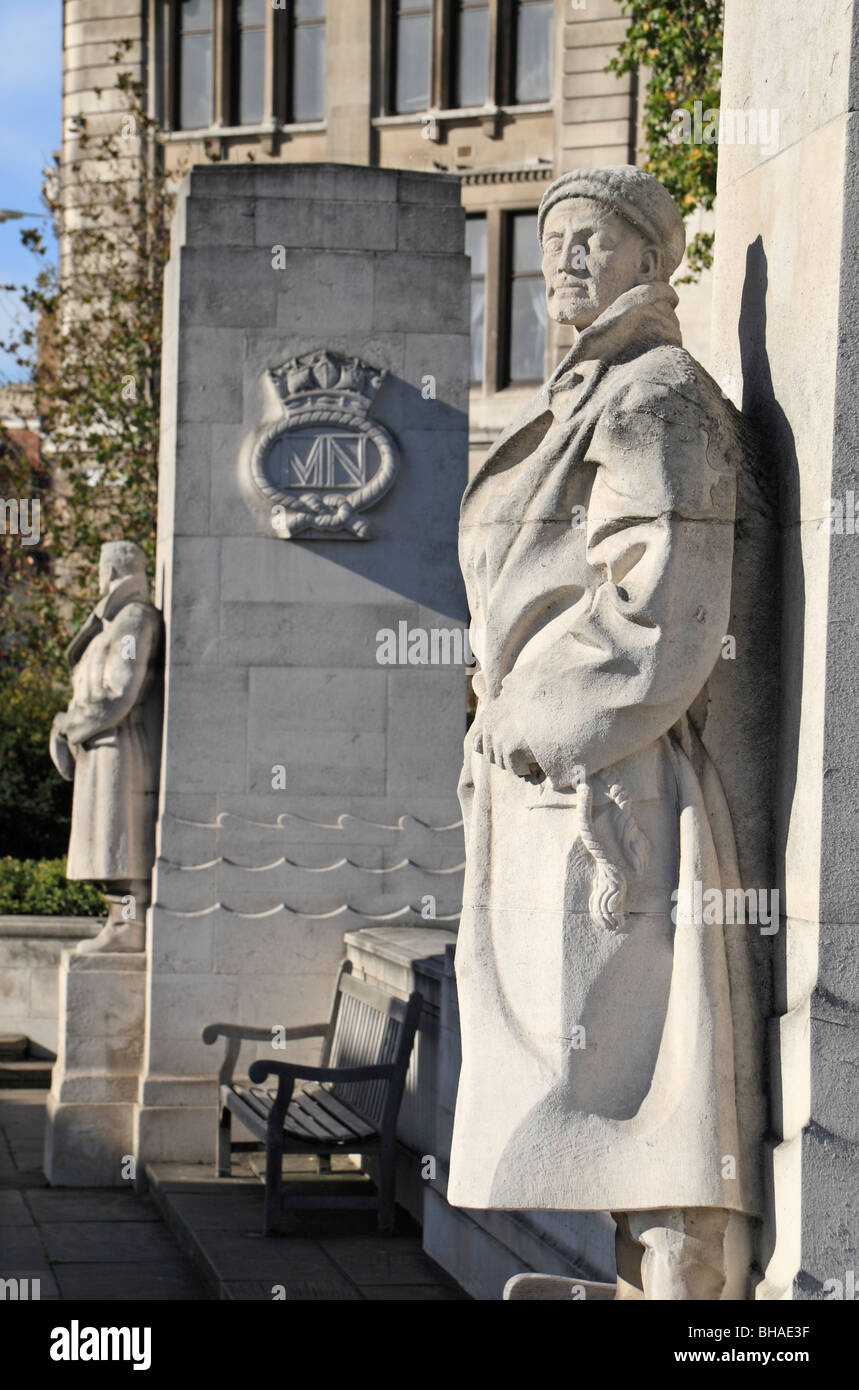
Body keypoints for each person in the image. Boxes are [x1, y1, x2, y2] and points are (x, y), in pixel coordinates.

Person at [447, 166, 763, 1300]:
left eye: (592, 238)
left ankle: (693, 1296)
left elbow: (664, 605)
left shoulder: (656, 393)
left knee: (651, 1088)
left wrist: (532, 718)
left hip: (615, 785)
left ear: (649, 259)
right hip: (556, 780)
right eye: (553, 243)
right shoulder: (583, 398)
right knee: (610, 1084)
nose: (565, 262)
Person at [50, 540, 162, 953]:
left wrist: (70, 726)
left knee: (123, 845)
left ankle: (128, 928)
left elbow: (121, 689)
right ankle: (118, 921)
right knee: (109, 845)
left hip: (121, 748)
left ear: (112, 571)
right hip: (100, 746)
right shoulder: (113, 621)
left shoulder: (133, 618)